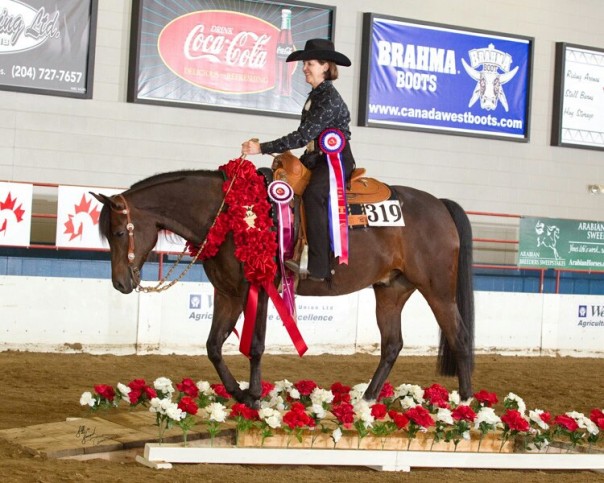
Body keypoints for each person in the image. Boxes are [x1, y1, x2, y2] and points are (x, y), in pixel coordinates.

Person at [241, 38, 355, 282]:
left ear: (325, 66)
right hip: (316, 158)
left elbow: (303, 136)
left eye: (310, 63)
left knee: (314, 195)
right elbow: (309, 139)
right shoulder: (316, 95)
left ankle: (319, 265)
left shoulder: (328, 99)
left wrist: (263, 147)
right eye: (305, 63)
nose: (305, 68)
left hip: (334, 161)